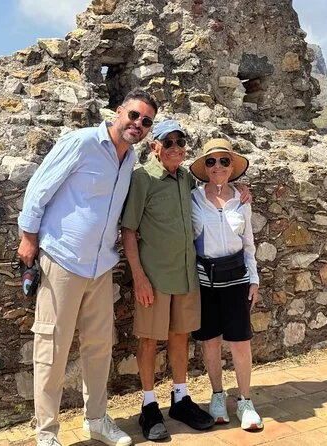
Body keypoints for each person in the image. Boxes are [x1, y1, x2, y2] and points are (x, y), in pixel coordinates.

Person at [17, 90, 158, 446]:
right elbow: (39, 187)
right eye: (134, 115)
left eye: (146, 122)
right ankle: (46, 433)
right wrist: (28, 237)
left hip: (100, 265)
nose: (138, 124)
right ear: (119, 112)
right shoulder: (82, 143)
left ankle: (95, 420)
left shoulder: (130, 158)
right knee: (52, 348)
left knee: (99, 347)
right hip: (62, 259)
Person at [121, 120, 214, 441]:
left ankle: (180, 398)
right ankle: (149, 406)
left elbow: (216, 188)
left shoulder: (186, 178)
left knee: (180, 336)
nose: (176, 148)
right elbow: (129, 231)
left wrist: (241, 191)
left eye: (180, 142)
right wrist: (139, 277)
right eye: (168, 142)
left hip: (186, 274)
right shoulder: (143, 179)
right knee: (148, 340)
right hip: (155, 276)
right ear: (154, 146)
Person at [188, 138, 263, 431]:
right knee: (210, 341)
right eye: (211, 161)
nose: (217, 167)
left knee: (240, 342)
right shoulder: (193, 199)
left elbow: (248, 244)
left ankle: (245, 400)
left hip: (236, 279)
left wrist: (254, 279)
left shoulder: (241, 200)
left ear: (232, 167)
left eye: (224, 161)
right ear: (204, 167)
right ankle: (217, 395)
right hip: (205, 280)